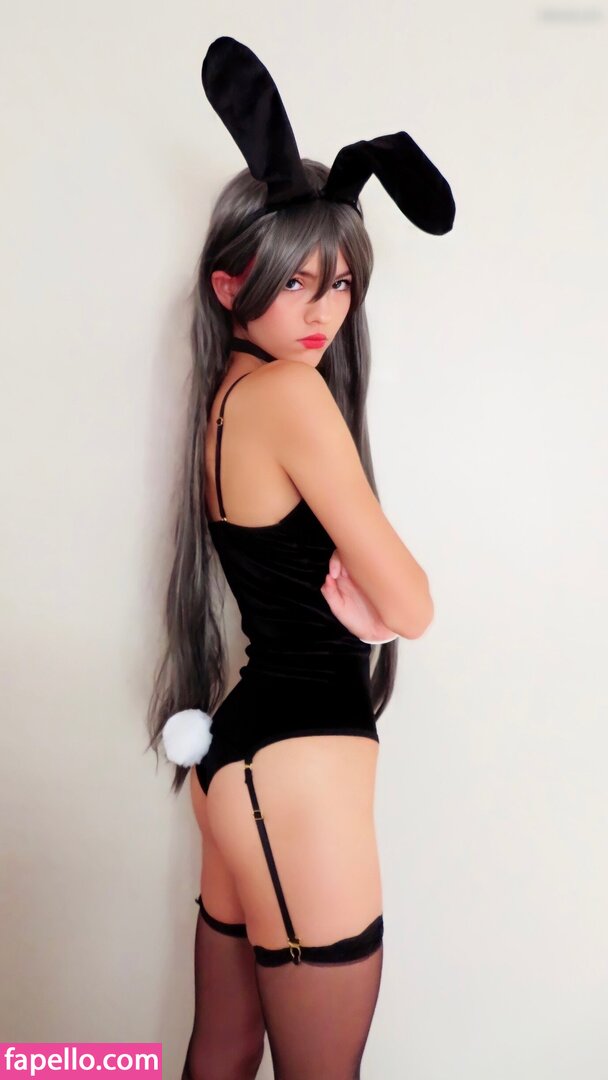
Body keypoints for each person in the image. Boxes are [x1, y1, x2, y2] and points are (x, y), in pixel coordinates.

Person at [146, 36, 455, 1079]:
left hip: (237, 758)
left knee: (223, 1050)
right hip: (300, 768)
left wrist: (362, 616)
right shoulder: (287, 395)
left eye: (341, 284)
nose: (324, 311)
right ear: (230, 284)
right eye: (297, 284)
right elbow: (412, 604)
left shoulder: (226, 398)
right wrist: (374, 618)